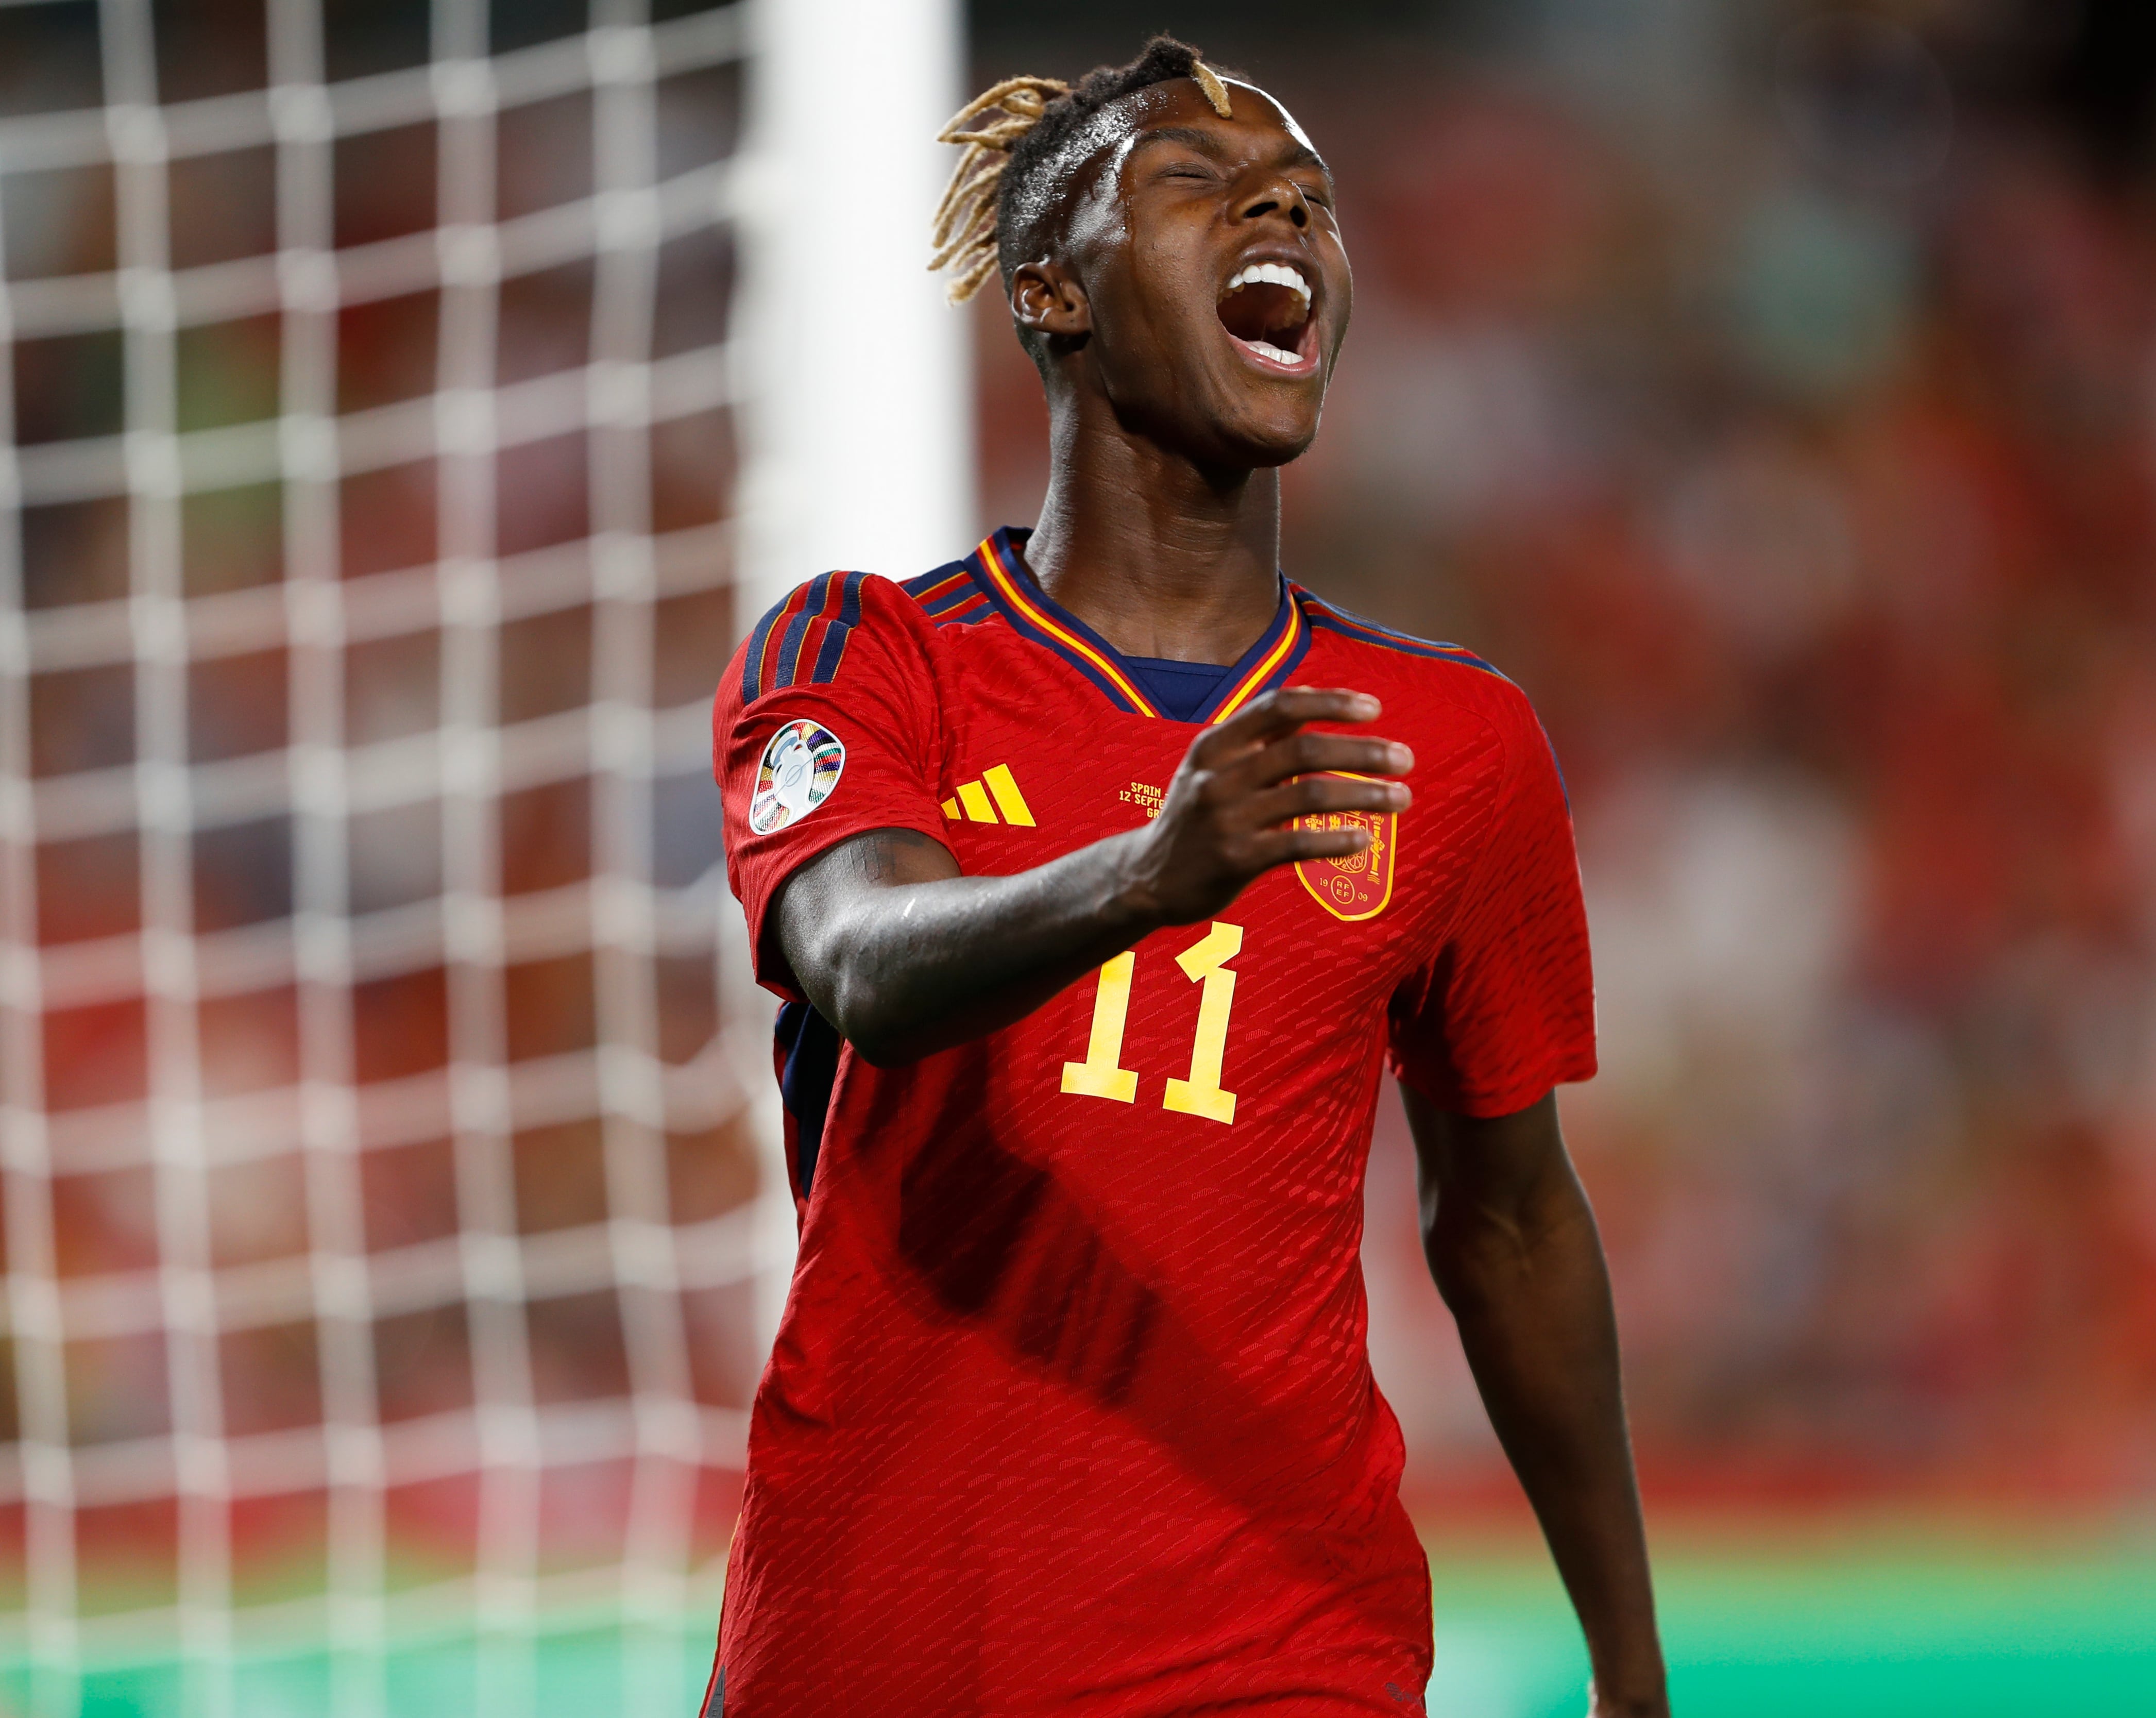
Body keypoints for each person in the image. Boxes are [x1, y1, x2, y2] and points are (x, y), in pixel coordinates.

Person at [706, 36, 1665, 1718]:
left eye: (1306, 191)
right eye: (1191, 181)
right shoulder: (869, 653)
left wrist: (1632, 1670)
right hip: (886, 1635)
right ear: (1054, 295)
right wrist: (1147, 877)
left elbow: (1510, 1221)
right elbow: (859, 959)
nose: (1284, 200)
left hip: (1283, 1642)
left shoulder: (1459, 744)